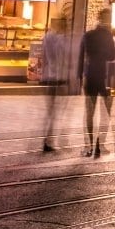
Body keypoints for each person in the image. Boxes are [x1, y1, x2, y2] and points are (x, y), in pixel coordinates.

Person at [78, 9, 115, 158]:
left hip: (89, 76)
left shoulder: (88, 35)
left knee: (89, 112)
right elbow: (112, 55)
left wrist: (79, 77)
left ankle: (88, 146)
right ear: (104, 19)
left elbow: (81, 56)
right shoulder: (107, 35)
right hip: (102, 78)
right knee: (105, 113)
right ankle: (99, 145)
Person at [40, 18, 70, 152]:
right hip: (58, 78)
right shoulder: (60, 39)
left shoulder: (46, 37)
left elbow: (44, 57)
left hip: (48, 76)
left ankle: (47, 138)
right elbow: (62, 59)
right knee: (58, 110)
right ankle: (50, 139)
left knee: (50, 111)